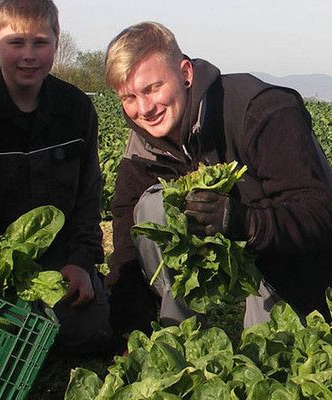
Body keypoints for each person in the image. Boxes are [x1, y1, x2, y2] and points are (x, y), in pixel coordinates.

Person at [103, 21, 332, 338]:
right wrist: (130, 326)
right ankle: (182, 331)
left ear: (185, 74)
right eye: (128, 97)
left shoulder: (259, 110)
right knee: (151, 208)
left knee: (273, 354)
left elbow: (318, 211)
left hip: (293, 255)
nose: (144, 108)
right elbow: (127, 235)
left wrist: (241, 220)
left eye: (153, 88)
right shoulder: (143, 144)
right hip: (234, 252)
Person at [0, 0, 112, 356]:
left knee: (82, 329)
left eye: (40, 43)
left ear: (56, 43)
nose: (28, 55)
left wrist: (80, 261)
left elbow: (87, 198)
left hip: (57, 264)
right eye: (16, 43)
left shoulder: (76, 109)